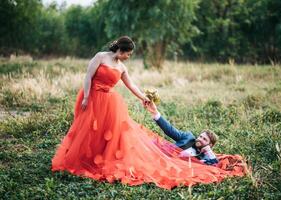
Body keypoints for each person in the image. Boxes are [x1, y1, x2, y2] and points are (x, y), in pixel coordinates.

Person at [52, 36, 247, 190]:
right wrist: (86, 96)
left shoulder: (122, 67)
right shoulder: (100, 57)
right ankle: (82, 155)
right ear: (122, 50)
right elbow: (88, 75)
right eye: (129, 54)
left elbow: (132, 85)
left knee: (109, 132)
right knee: (86, 127)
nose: (129, 57)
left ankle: (100, 156)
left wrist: (143, 97)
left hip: (110, 101)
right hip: (91, 96)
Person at [144, 101, 218, 165]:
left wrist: (208, 151)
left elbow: (214, 165)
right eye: (201, 136)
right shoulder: (188, 137)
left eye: (204, 139)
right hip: (162, 156)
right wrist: (155, 112)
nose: (200, 139)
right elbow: (170, 130)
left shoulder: (205, 157)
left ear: (210, 145)